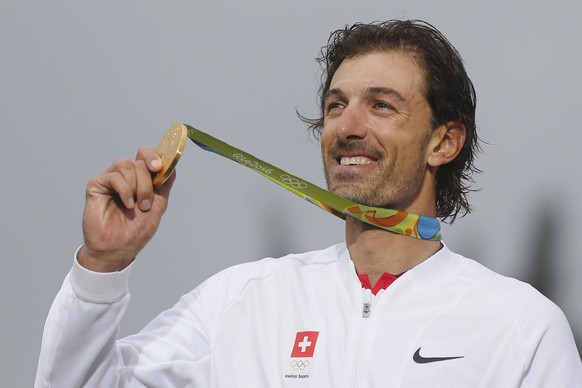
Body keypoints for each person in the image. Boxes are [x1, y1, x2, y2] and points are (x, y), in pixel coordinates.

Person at [35, 20, 581, 387]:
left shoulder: (521, 326)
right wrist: (102, 269)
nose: (347, 126)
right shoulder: (240, 302)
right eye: (336, 105)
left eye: (382, 105)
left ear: (444, 142)